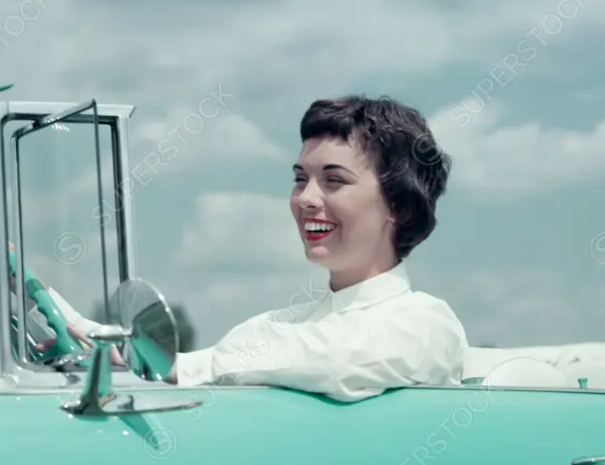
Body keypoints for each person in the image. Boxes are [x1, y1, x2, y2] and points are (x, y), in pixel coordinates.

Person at [166, 95, 468, 401]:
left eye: (334, 180)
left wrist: (185, 365)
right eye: (300, 179)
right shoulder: (276, 324)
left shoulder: (427, 325)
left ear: (398, 206)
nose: (305, 198)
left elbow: (336, 359)